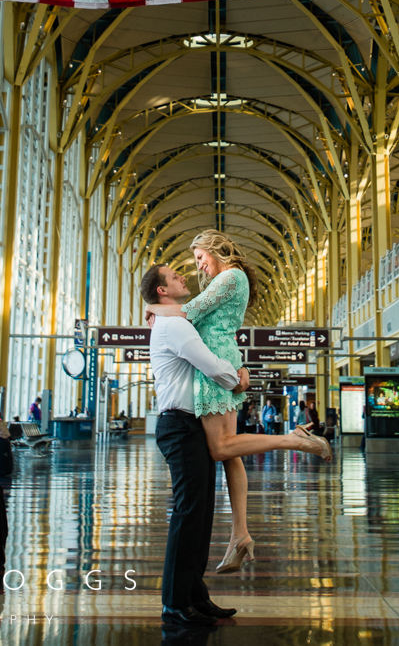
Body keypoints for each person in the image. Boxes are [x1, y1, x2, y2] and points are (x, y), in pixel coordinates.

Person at [144, 231, 331, 574]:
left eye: (200, 257)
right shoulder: (232, 279)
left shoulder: (230, 276)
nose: (198, 265)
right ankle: (240, 534)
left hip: (216, 358)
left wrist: (156, 310)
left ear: (217, 249)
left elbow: (194, 311)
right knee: (230, 454)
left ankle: (292, 439)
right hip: (224, 354)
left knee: (221, 447)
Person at [142, 263, 248, 628]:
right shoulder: (173, 325)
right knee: (188, 515)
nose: (183, 277)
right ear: (162, 291)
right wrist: (239, 378)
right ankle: (174, 602)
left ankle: (195, 596)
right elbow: (212, 367)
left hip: (191, 426)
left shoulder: (172, 320)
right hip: (180, 427)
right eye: (174, 277)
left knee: (201, 516)